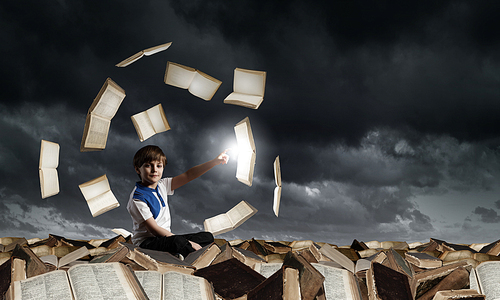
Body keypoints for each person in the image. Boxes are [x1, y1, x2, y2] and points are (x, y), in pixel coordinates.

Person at [127, 145, 229, 257]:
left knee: (207, 237)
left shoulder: (162, 185)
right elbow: (154, 230)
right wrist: (187, 242)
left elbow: (188, 175)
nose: (154, 170)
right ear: (137, 169)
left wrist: (214, 162)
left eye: (159, 166)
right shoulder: (137, 198)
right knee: (178, 242)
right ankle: (186, 256)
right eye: (148, 166)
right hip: (147, 243)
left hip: (166, 238)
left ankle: (180, 253)